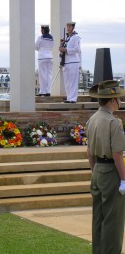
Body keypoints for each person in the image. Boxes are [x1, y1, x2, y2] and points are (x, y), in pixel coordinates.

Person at [86, 80, 125, 254]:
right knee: (113, 221)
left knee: (98, 219)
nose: (120, 102)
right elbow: (117, 155)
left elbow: (89, 153)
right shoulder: (113, 122)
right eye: (118, 99)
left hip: (98, 171)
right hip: (111, 172)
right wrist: (124, 179)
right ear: (111, 100)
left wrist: (95, 173)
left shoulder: (92, 119)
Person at [59, 21, 81, 103]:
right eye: (67, 26)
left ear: (73, 27)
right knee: (67, 82)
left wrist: (66, 50)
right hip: (66, 62)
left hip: (73, 61)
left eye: (69, 26)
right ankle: (69, 97)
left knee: (73, 81)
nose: (68, 28)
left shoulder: (76, 37)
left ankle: (73, 98)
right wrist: (61, 45)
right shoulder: (67, 38)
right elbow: (62, 49)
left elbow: (77, 49)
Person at [35, 24, 54, 96]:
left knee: (42, 75)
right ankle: (48, 91)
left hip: (42, 57)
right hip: (50, 57)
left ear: (43, 30)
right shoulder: (52, 38)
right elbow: (52, 46)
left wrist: (40, 49)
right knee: (49, 75)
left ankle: (42, 91)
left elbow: (35, 46)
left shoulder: (40, 37)